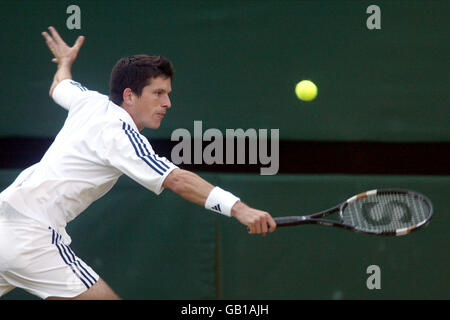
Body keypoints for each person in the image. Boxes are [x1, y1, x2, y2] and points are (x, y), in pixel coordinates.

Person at [0, 27, 276, 300]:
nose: (167, 103)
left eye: (168, 93)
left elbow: (58, 86)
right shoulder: (120, 135)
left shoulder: (89, 102)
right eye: (158, 93)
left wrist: (64, 63)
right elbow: (177, 180)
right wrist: (239, 209)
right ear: (130, 96)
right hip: (31, 236)